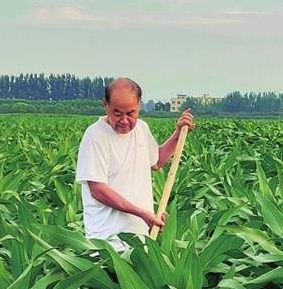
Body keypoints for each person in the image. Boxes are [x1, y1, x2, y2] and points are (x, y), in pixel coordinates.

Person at [76, 77, 194, 250]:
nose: (124, 120)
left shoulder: (141, 129)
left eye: (131, 113)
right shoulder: (95, 136)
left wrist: (177, 134)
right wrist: (142, 213)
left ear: (139, 105)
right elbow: (98, 190)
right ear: (105, 105)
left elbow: (157, 161)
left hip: (141, 239)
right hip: (108, 243)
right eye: (117, 113)